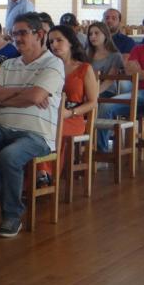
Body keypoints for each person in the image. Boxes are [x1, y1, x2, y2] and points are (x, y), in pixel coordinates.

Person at [0, 12, 64, 238]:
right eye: (13, 34)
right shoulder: (9, 64)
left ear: (39, 34)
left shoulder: (53, 63)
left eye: (22, 33)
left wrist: (6, 97)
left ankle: (11, 215)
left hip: (36, 134)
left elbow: (36, 96)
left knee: (9, 156)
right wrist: (24, 92)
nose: (17, 38)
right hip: (1, 128)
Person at [97, 11, 144, 179]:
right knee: (105, 106)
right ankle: (102, 154)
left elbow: (138, 74)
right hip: (138, 93)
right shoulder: (138, 49)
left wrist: (142, 73)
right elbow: (131, 72)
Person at [39, 25, 98, 186]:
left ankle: (45, 175)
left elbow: (93, 102)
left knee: (54, 129)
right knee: (34, 128)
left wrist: (70, 113)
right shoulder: (47, 66)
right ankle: (35, 175)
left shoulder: (84, 68)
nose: (54, 45)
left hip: (72, 116)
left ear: (70, 42)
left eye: (59, 40)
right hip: (48, 113)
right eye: (51, 42)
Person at [86, 21, 126, 97]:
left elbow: (109, 80)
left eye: (96, 33)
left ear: (105, 35)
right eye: (90, 34)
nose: (93, 36)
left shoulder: (115, 55)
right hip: (88, 89)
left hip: (106, 91)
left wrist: (94, 94)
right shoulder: (87, 53)